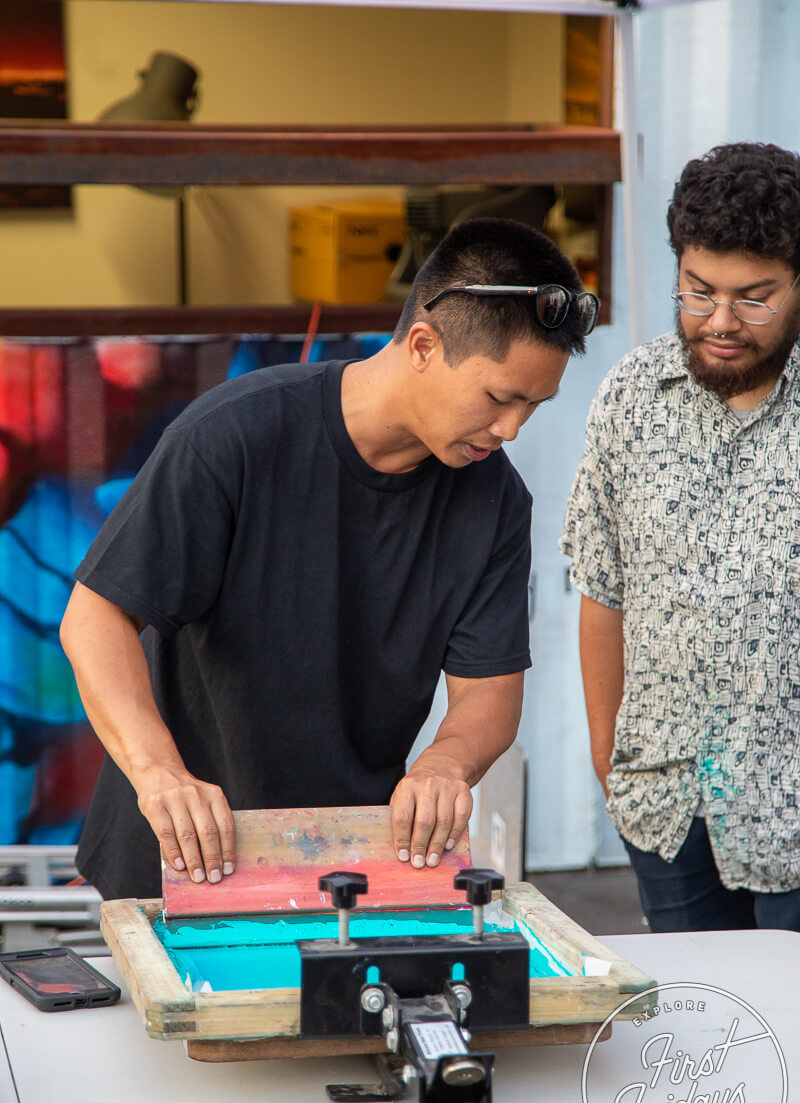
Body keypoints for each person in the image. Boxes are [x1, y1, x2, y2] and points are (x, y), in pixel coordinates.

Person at [60, 216, 597, 900]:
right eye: (499, 398)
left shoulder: (495, 500)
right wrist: (159, 774)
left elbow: (488, 690)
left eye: (534, 406)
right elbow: (95, 620)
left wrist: (446, 763)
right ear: (424, 345)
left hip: (351, 863)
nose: (511, 429)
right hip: (177, 859)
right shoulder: (234, 437)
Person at [560, 141, 800, 933]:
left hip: (793, 810)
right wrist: (611, 763)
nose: (721, 322)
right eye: (698, 291)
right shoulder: (633, 395)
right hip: (668, 812)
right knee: (699, 1008)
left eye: (754, 299)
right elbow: (603, 591)